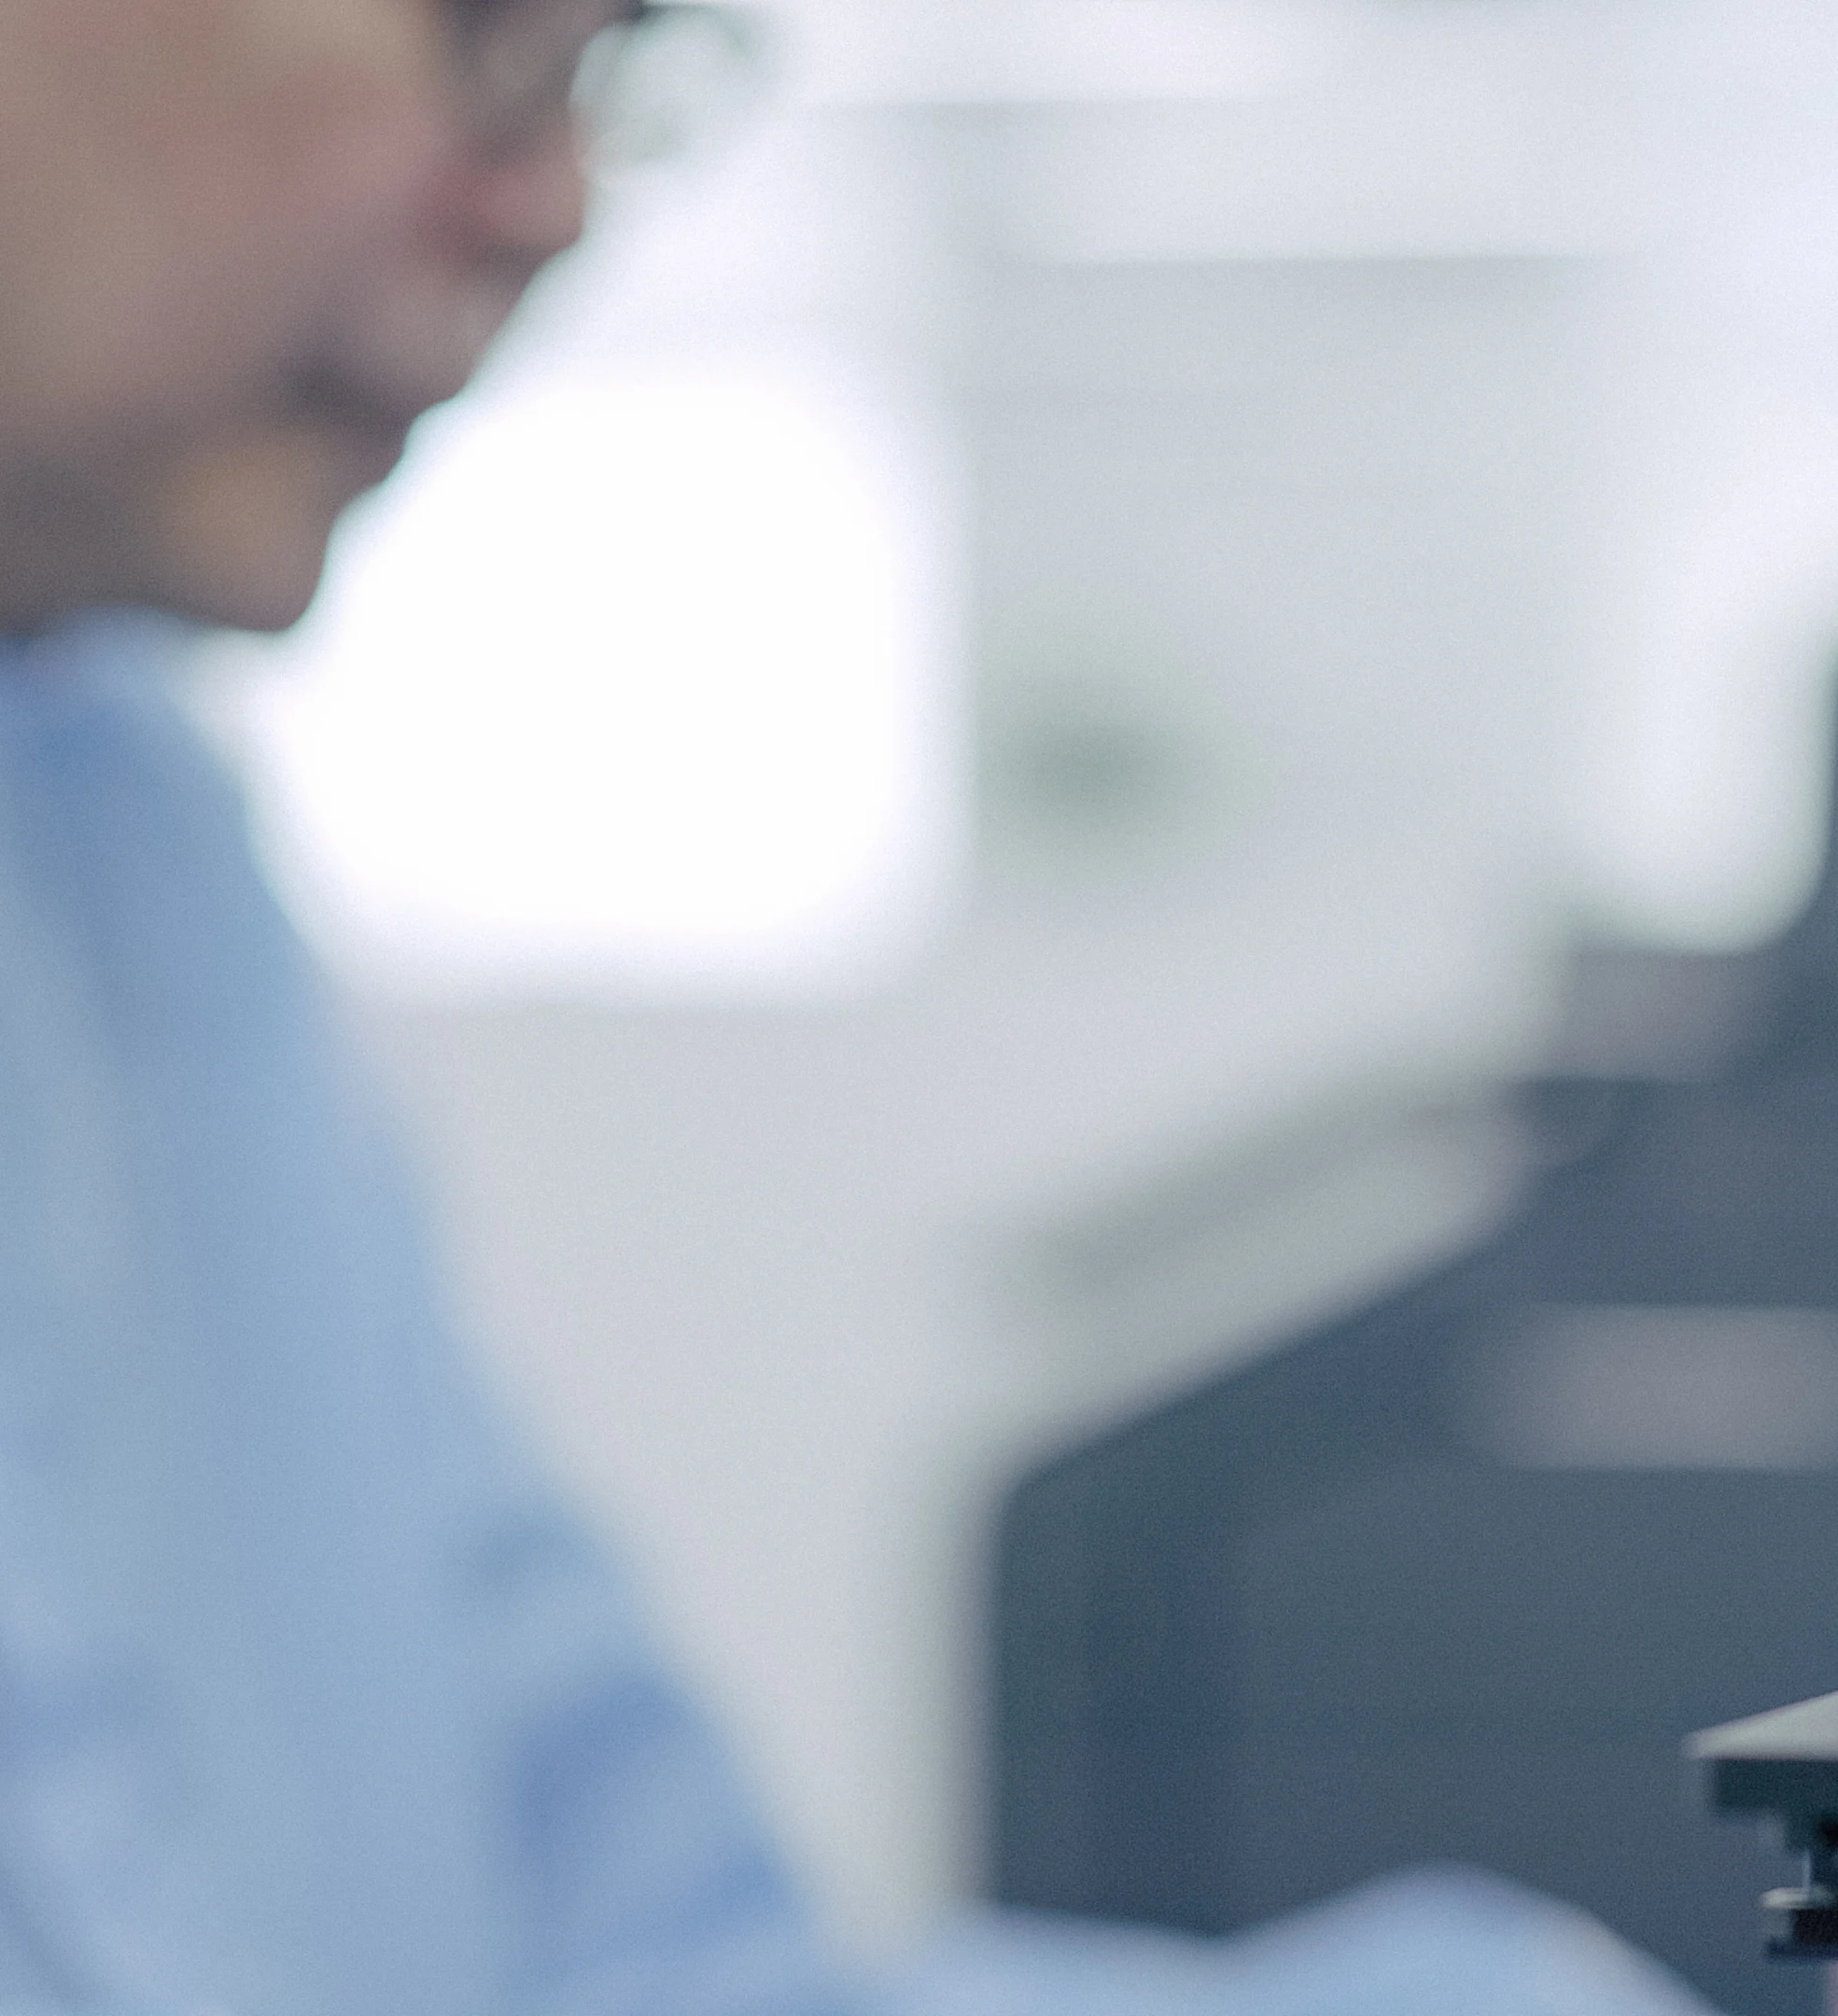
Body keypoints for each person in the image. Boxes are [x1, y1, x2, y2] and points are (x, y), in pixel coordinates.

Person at [0, 2, 1716, 2010]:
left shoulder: (120, 849)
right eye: (479, 34)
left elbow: (632, 1966)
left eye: (609, 72)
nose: (551, 196)